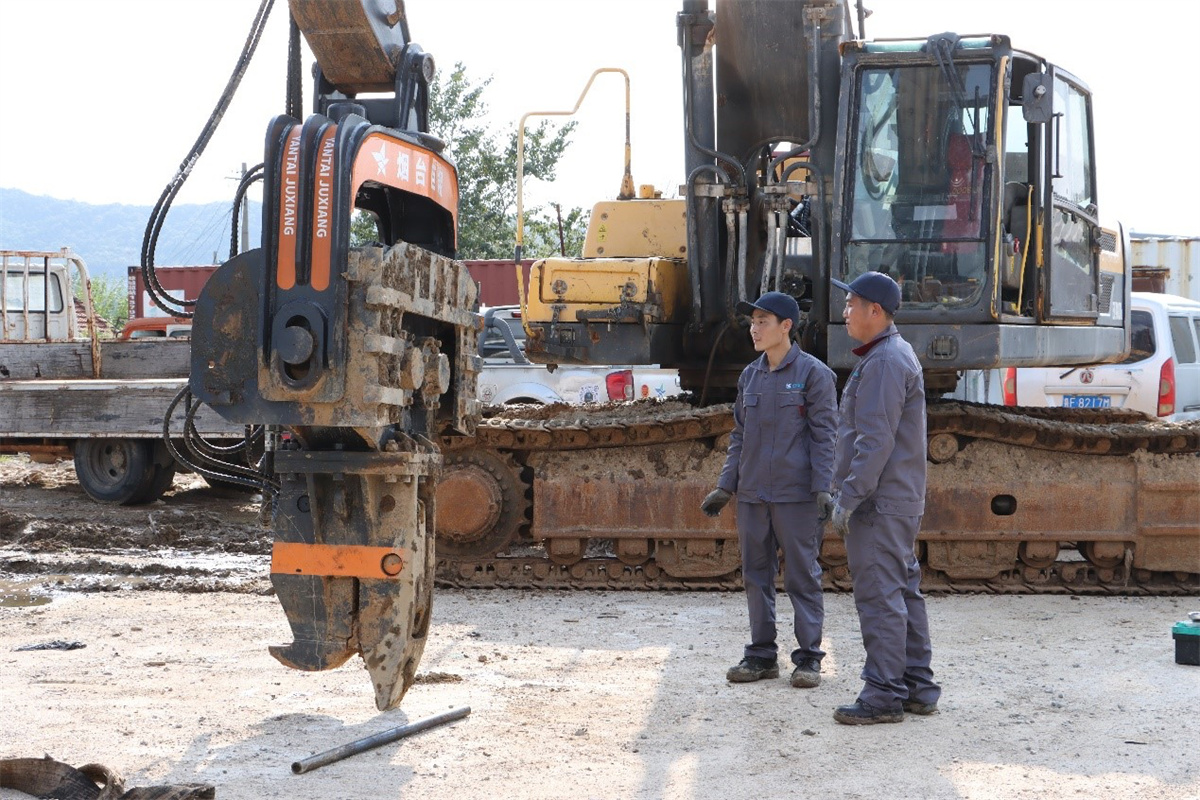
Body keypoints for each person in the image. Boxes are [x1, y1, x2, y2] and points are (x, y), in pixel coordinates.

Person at [700, 291, 837, 689]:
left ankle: (809, 658)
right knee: (755, 575)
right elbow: (739, 437)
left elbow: (826, 437)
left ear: (786, 327)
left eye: (763, 322)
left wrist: (823, 489)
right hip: (754, 496)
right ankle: (761, 656)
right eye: (752, 322)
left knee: (802, 576)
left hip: (796, 497)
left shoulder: (815, 375)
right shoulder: (750, 375)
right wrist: (726, 486)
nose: (754, 330)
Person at [827, 271, 941, 725]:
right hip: (896, 499)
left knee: (879, 597)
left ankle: (883, 696)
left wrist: (848, 498)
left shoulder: (884, 362)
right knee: (902, 591)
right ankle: (917, 686)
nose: (845, 312)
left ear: (876, 311)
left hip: (878, 503)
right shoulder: (892, 354)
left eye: (852, 304)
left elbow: (873, 443)